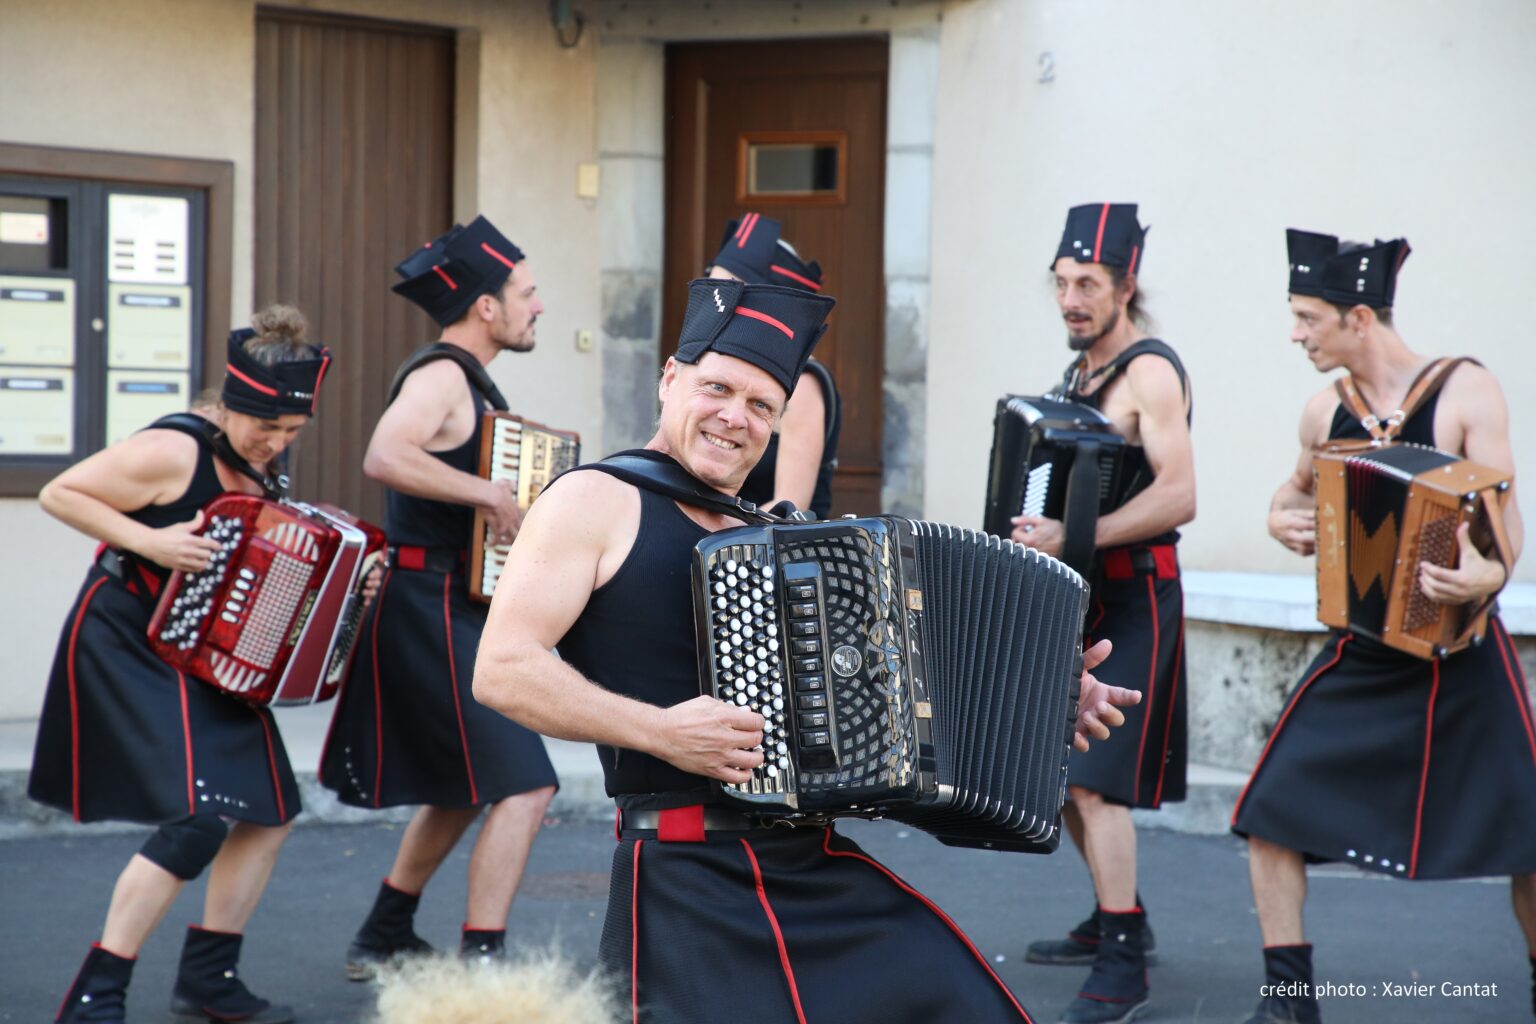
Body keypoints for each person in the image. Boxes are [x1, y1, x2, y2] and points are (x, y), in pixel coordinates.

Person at [470, 275, 1144, 1024]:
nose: (735, 418)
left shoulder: (777, 536)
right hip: (689, 885)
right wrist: (658, 731)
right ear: (670, 379)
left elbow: (895, 695)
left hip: (811, 869)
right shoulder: (594, 499)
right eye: (716, 388)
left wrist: (1039, 695)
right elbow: (503, 669)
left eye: (761, 406)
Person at [1230, 230, 1536, 1024]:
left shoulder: (1466, 391)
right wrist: (1279, 521)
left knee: (1530, 837)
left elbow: (1505, 531)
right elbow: (1291, 495)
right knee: (1268, 812)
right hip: (1362, 651)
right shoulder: (1325, 413)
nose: (1296, 334)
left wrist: (1486, 576)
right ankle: (1289, 1003)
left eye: (1307, 318)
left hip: (1461, 653)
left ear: (1358, 317)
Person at [32, 305, 332, 1024]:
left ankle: (209, 979)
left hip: (206, 651)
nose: (274, 444)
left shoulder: (263, 459)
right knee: (200, 816)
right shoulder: (173, 451)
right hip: (129, 638)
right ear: (229, 405)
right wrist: (153, 542)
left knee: (268, 813)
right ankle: (96, 991)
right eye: (265, 428)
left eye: (291, 433)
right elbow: (59, 493)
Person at [318, 215, 558, 977]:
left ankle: (384, 933)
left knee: (465, 785)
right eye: (526, 292)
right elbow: (385, 454)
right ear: (486, 306)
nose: (538, 305)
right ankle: (482, 957)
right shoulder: (442, 375)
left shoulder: (472, 381)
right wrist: (489, 490)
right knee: (527, 786)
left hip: (450, 601)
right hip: (426, 602)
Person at [1012, 203, 1195, 1024]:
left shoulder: (1150, 372)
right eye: (1060, 282)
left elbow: (1181, 494)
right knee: (1059, 775)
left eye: (1087, 282)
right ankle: (1114, 912)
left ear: (1126, 285)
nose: (1070, 298)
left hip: (1135, 596)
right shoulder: (1078, 378)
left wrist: (1076, 536)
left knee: (1095, 783)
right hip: (1082, 597)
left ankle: (1125, 954)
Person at [706, 212, 841, 517]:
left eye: (729, 294)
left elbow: (789, 507)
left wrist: (706, 533)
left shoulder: (802, 382)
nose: (715, 305)